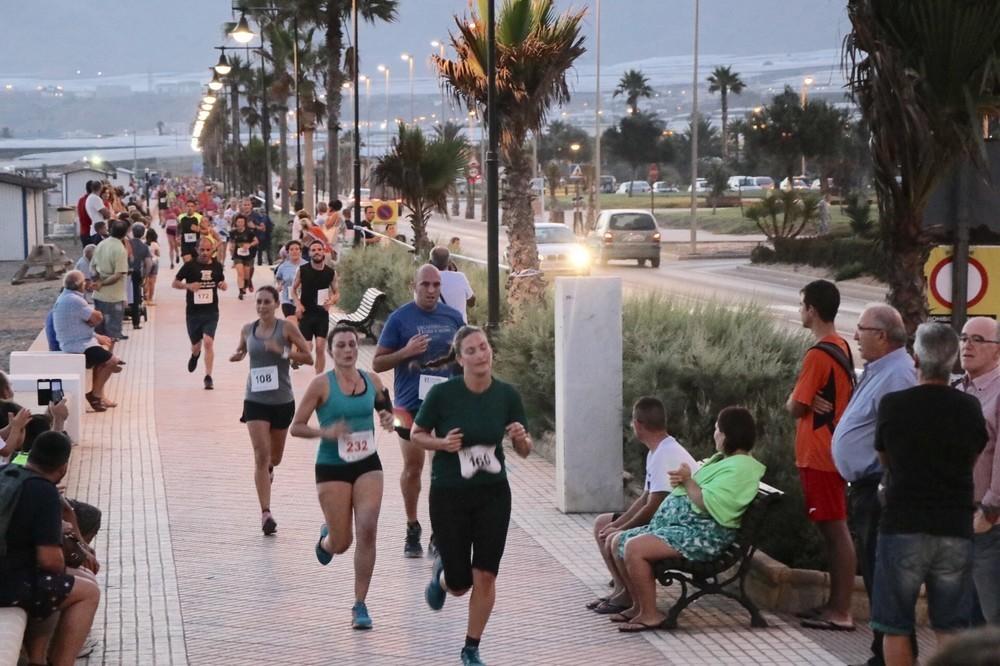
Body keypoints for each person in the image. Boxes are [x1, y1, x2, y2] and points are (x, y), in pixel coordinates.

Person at [411, 326, 532, 666]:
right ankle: (442, 574)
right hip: (450, 494)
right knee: (461, 584)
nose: (481, 355)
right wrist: (441, 444)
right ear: (460, 358)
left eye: (484, 347)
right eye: (472, 350)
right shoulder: (444, 395)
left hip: (493, 493)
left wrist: (521, 438)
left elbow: (524, 449)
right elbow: (417, 434)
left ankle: (471, 648)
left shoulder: (507, 395)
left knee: (486, 574)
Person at [871, 323, 986, 666]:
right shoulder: (969, 408)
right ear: (952, 361)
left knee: (895, 625)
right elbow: (973, 456)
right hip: (954, 526)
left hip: (903, 523)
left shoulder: (895, 405)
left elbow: (884, 457)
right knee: (951, 625)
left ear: (916, 359)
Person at [609, 406, 766, 633]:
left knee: (634, 547)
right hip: (690, 531)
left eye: (716, 430)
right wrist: (685, 479)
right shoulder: (727, 462)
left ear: (726, 434)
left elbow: (710, 503)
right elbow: (700, 490)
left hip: (705, 538)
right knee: (618, 541)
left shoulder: (741, 469)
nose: (715, 435)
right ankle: (638, 607)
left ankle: (651, 615)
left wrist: (688, 481)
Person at [290, 324, 395, 630]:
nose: (348, 350)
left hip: (367, 464)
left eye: (352, 345)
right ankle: (326, 541)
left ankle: (360, 604)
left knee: (368, 528)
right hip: (332, 466)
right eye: (341, 346)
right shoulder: (321, 385)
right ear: (331, 351)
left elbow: (388, 411)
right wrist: (326, 432)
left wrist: (389, 418)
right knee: (342, 542)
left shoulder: (372, 380)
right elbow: (297, 426)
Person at [832, 304, 917, 666]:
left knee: (885, 579)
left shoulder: (898, 376)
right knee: (875, 575)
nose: (855, 335)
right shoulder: (880, 370)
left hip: (877, 487)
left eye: (861, 329)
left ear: (882, 336)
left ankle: (890, 656)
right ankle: (880, 652)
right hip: (865, 486)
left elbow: (899, 440)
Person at [373, 264, 465, 558]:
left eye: (436, 285)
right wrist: (405, 352)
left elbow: (464, 357)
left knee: (442, 471)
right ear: (414, 286)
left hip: (445, 405)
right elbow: (377, 363)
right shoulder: (400, 319)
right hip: (409, 406)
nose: (430, 290)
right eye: (425, 284)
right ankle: (412, 526)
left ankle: (439, 532)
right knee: (413, 468)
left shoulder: (453, 317)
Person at [786, 280, 857, 631]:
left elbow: (795, 406)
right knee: (832, 529)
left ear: (812, 310)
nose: (800, 312)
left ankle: (841, 612)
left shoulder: (817, 354)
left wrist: (800, 401)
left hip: (820, 455)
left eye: (802, 306)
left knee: (835, 530)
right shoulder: (841, 345)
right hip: (831, 452)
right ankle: (834, 605)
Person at [586, 397, 696, 615]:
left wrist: (621, 529)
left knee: (614, 535)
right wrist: (619, 523)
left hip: (674, 523)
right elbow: (645, 497)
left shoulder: (666, 453)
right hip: (665, 518)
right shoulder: (656, 450)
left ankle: (629, 596)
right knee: (603, 523)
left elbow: (654, 505)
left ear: (637, 424)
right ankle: (621, 589)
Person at [0, 431, 101, 666]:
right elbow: (50, 561)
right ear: (63, 467)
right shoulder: (43, 491)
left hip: (9, 571)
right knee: (86, 592)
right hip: (7, 583)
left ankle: (38, 659)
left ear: (31, 455)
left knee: (66, 583)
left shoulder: (7, 473)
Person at [230, 286, 312, 536]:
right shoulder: (248, 329)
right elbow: (243, 349)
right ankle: (266, 513)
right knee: (260, 455)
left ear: (276, 304)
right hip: (254, 399)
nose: (262, 306)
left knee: (274, 458)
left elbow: (308, 357)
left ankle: (269, 470)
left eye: (267, 302)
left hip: (281, 401)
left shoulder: (286, 328)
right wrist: (238, 355)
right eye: (259, 302)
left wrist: (284, 352)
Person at [955, 317, 1000, 626]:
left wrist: (990, 509)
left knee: (991, 613)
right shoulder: (957, 388)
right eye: (964, 337)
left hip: (988, 521)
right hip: (958, 517)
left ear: (997, 351)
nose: (968, 345)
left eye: (978, 339)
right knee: (964, 616)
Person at [51, 271, 122, 412]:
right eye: (85, 281)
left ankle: (99, 395)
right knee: (111, 360)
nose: (87, 284)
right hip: (78, 345)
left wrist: (95, 331)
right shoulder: (74, 300)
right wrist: (96, 317)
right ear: (79, 284)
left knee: (104, 356)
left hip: (76, 341)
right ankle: (94, 395)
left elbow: (86, 322)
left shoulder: (66, 297)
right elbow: (96, 318)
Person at [173, 238, 228, 390]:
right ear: (197, 250)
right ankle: (195, 355)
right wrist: (188, 286)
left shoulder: (217, 265)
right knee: (196, 346)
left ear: (212, 250)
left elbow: (220, 281)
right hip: (193, 313)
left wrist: (222, 285)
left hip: (211, 311)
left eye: (208, 250)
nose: (205, 253)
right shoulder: (190, 266)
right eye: (202, 250)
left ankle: (208, 376)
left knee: (208, 342)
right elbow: (175, 283)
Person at [293, 240, 338, 375]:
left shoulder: (330, 272)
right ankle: (296, 356)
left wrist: (331, 301)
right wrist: (298, 304)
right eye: (313, 250)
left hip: (321, 314)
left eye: (319, 249)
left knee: (320, 347)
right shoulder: (302, 270)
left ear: (324, 252)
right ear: (309, 253)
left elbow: (337, 293)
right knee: (308, 348)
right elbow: (293, 290)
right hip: (306, 313)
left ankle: (319, 378)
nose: (317, 252)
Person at [90, 219, 130, 342]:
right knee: (112, 332)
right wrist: (103, 283)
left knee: (100, 326)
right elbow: (118, 274)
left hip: (98, 294)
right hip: (113, 295)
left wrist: (97, 281)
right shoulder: (120, 249)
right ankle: (110, 355)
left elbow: (92, 266)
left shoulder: (101, 244)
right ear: (125, 233)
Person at [430, 246, 475, 323]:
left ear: (430, 263)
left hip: (436, 327)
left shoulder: (425, 279)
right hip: (459, 328)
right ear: (449, 262)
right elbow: (471, 302)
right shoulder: (460, 277)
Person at [274, 240, 306, 323]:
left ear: (300, 251)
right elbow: (278, 279)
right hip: (288, 301)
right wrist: (279, 285)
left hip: (304, 301)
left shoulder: (307, 265)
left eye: (297, 249)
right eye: (291, 249)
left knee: (302, 329)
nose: (294, 251)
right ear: (288, 252)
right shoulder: (283, 267)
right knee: (292, 324)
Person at [229, 213, 259, 300]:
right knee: (240, 273)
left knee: (246, 274)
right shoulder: (233, 232)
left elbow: (256, 241)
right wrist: (231, 249)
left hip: (247, 255)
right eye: (238, 222)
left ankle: (247, 283)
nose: (240, 223)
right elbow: (232, 243)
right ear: (236, 223)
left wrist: (249, 245)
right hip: (237, 255)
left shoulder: (249, 232)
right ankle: (241, 291)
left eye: (242, 222)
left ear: (244, 223)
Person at [128, 223, 151, 331]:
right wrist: (145, 276)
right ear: (143, 234)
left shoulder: (126, 243)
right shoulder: (144, 247)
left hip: (124, 272)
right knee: (136, 298)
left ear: (132, 232)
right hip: (137, 273)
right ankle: (136, 323)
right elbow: (149, 263)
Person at [84, 180, 110, 244]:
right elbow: (107, 214)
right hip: (99, 231)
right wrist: (107, 211)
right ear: (101, 188)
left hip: (96, 230)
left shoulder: (90, 198)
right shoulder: (95, 198)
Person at [76, 181, 96, 248]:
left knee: (87, 255)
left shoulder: (81, 200)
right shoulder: (93, 200)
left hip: (83, 232)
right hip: (92, 232)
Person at [144, 228, 160, 305]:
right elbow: (158, 254)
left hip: (147, 262)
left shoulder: (144, 244)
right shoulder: (155, 244)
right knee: (152, 282)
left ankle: (145, 298)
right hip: (155, 262)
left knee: (146, 281)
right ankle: (150, 299)